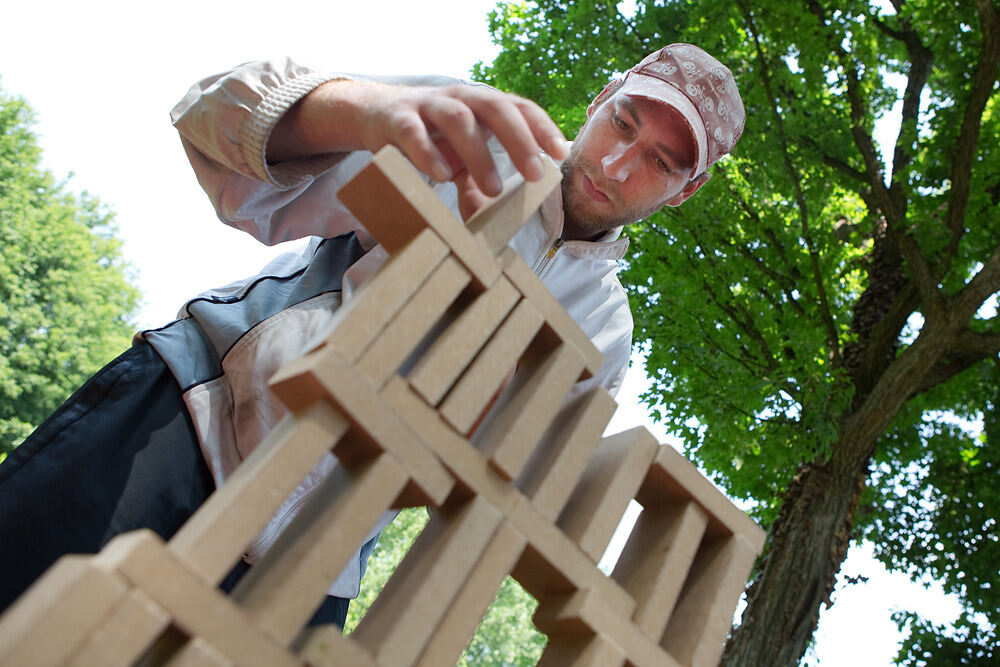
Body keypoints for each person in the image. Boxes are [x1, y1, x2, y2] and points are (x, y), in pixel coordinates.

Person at [0, 44, 745, 627]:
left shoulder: (607, 334)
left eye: (660, 161)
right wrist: (361, 112)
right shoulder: (470, 143)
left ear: (689, 188)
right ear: (600, 99)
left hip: (313, 560)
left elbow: (496, 495)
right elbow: (207, 118)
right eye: (624, 123)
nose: (618, 164)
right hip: (193, 416)